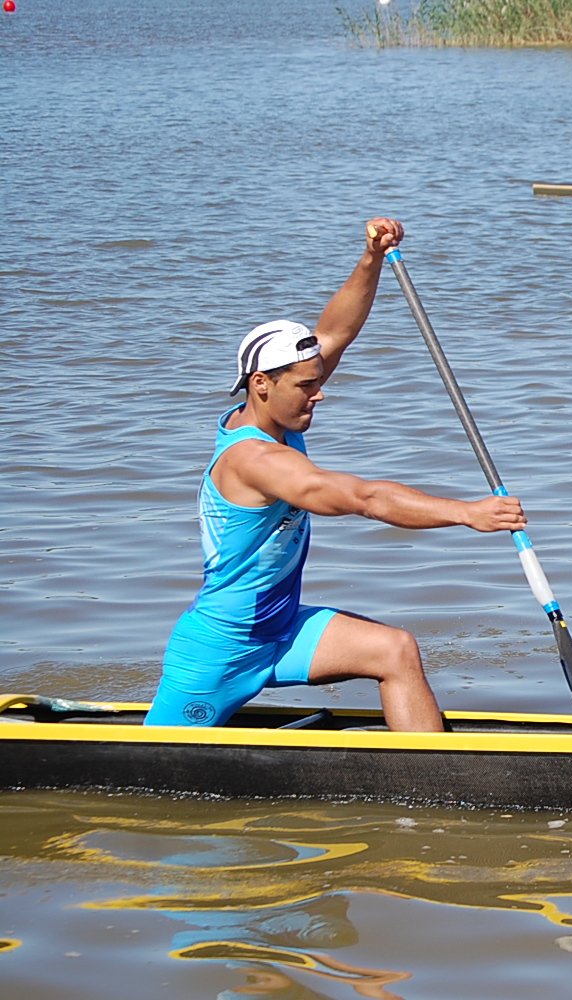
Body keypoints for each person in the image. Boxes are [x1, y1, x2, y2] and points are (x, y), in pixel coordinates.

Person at [145, 218, 527, 732]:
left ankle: (437, 785)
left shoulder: (279, 409)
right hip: (222, 647)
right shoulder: (255, 461)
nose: (319, 393)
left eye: (318, 381)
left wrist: (371, 258)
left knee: (394, 650)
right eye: (307, 386)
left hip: (282, 628)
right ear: (261, 384)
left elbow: (335, 331)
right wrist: (466, 513)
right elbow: (362, 497)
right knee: (159, 763)